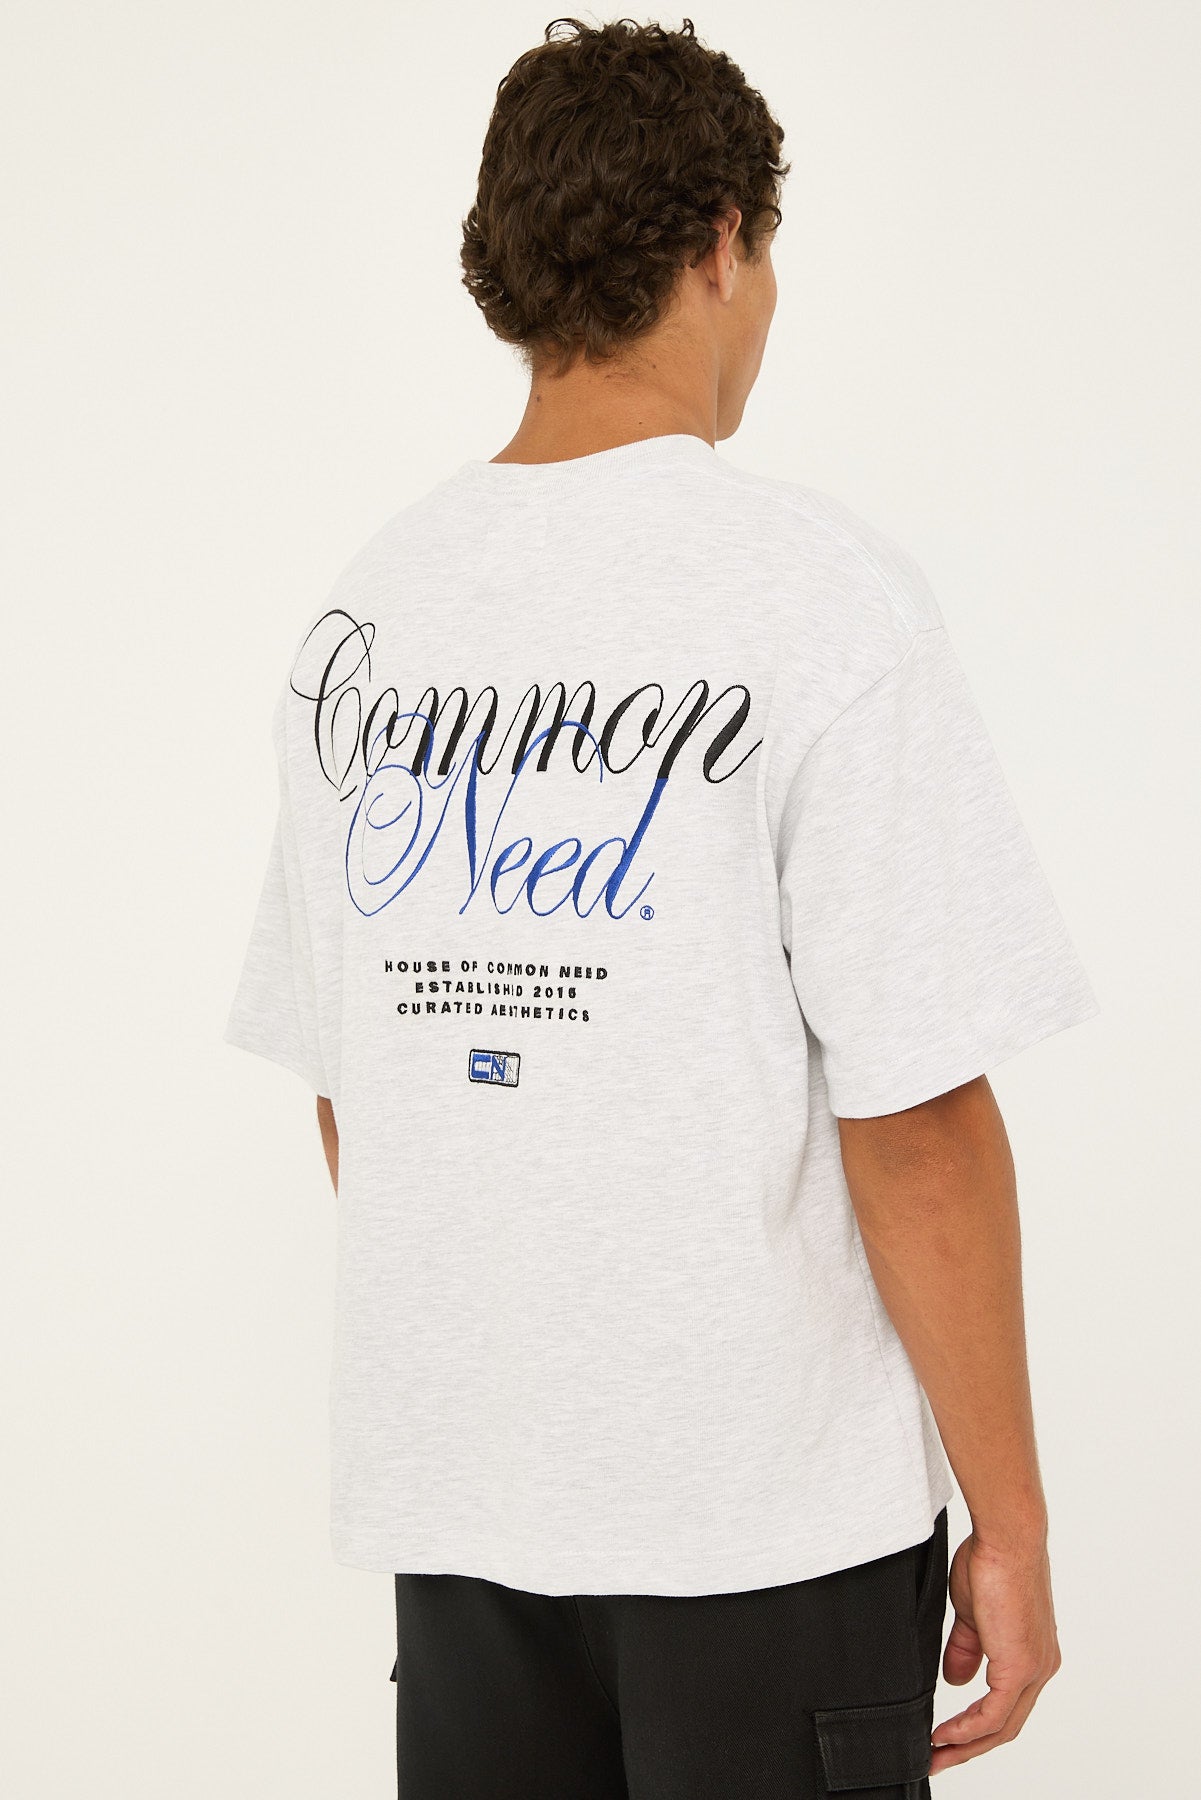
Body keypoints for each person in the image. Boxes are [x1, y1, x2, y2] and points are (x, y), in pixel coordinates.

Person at [222, 17, 1099, 1798]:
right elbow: (916, 1119)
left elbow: (355, 1085)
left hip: (463, 1520)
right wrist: (1006, 1523)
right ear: (717, 242)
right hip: (760, 1532)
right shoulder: (817, 602)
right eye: (762, 254)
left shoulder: (371, 615)